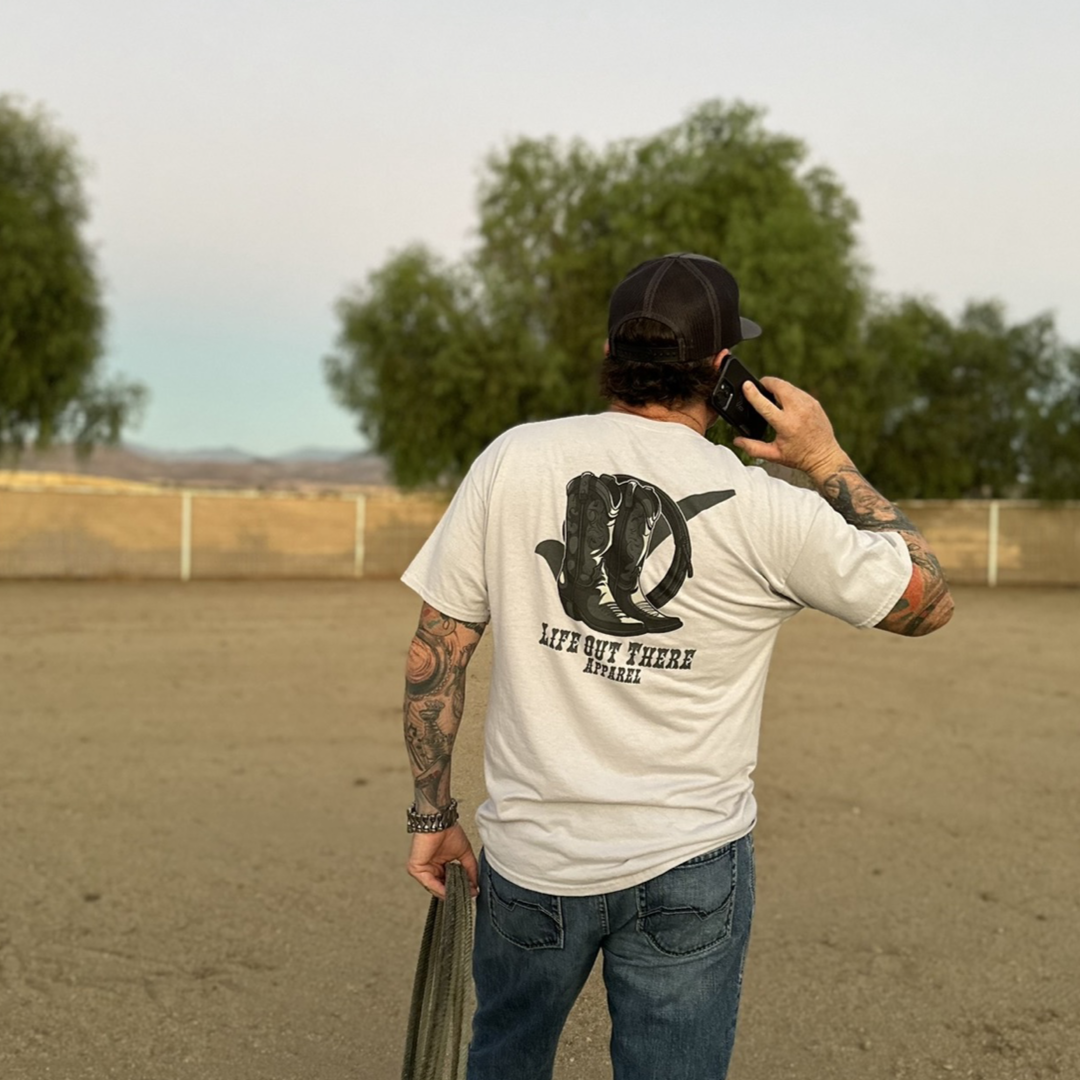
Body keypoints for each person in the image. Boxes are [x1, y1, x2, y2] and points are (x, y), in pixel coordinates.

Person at [399, 252, 953, 1080]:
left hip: (532, 857)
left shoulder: (514, 459)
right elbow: (926, 599)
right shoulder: (769, 508)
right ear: (725, 371)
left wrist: (429, 815)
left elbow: (435, 650)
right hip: (691, 863)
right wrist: (824, 457)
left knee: (504, 1059)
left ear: (617, 356)